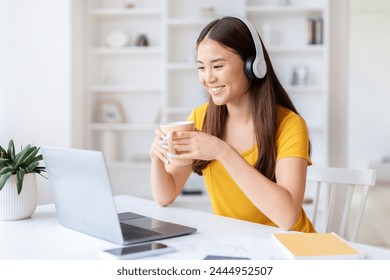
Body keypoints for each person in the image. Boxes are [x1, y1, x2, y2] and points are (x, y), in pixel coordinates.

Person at [150, 16, 315, 233]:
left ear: (252, 66)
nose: (208, 78)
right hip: (237, 244)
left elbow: (287, 218)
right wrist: (157, 158)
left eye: (217, 66)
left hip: (291, 245)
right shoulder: (201, 118)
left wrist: (222, 151)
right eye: (201, 67)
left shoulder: (289, 125)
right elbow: (165, 196)